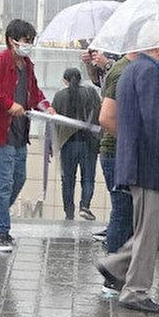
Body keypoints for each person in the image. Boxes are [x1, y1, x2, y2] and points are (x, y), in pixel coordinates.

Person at [95, 21, 159, 314]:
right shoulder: (148, 73)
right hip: (152, 167)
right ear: (155, 46)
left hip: (145, 164)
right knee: (151, 230)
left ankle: (116, 264)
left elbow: (151, 113)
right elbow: (155, 122)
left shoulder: (137, 71)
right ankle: (135, 291)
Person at [0, 19, 55, 253]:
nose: (29, 45)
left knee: (18, 179)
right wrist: (8, 104)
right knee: (3, 185)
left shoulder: (27, 65)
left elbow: (34, 92)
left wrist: (45, 106)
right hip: (0, 133)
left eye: (31, 41)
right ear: (12, 40)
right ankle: (2, 232)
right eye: (26, 40)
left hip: (20, 134)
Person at [97, 52, 138, 252]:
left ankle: (118, 267)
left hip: (123, 151)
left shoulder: (132, 70)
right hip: (116, 152)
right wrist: (132, 141)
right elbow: (106, 118)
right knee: (123, 210)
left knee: (128, 211)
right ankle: (113, 270)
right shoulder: (123, 72)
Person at [52, 68, 101, 220]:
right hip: (89, 143)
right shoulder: (91, 93)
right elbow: (99, 113)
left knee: (67, 180)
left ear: (65, 80)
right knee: (88, 178)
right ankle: (85, 206)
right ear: (80, 79)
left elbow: (53, 121)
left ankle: (69, 212)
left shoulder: (59, 96)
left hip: (68, 144)